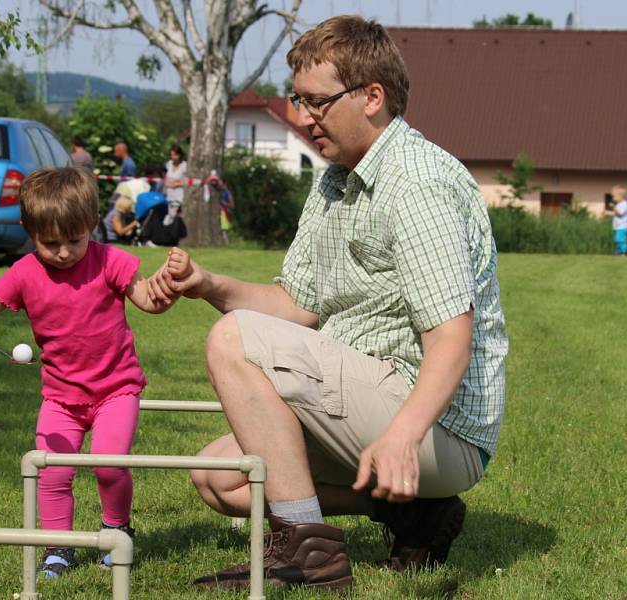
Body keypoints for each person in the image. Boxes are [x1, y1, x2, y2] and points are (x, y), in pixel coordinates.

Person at [149, 15, 508, 591]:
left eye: (318, 102)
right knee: (220, 478)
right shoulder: (336, 179)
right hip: (376, 402)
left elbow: (451, 339)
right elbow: (297, 304)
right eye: (299, 100)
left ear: (373, 97)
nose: (303, 116)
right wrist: (209, 285)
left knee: (234, 338)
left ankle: (305, 553)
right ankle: (407, 512)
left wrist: (401, 438)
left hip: (440, 427)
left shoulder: (416, 183)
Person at [0, 167, 186, 578]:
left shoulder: (111, 260)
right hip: (60, 396)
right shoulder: (25, 272)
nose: (63, 253)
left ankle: (116, 530)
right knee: (53, 472)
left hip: (117, 389)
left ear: (93, 223)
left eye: (74, 240)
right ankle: (58, 549)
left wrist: (166, 284)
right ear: (29, 230)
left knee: (109, 464)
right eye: (50, 243)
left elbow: (148, 299)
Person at [164, 144, 187, 226]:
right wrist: (167, 183)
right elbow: (166, 177)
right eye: (172, 155)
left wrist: (177, 184)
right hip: (169, 194)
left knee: (172, 213)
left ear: (179, 155)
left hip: (179, 195)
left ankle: (167, 227)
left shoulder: (184, 166)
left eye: (175, 155)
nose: (173, 157)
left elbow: (187, 181)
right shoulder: (169, 164)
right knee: (171, 213)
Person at [604, 185, 627, 255]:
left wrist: (614, 207)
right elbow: (616, 214)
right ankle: (619, 253)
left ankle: (624, 252)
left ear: (620, 196)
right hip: (618, 226)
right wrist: (608, 212)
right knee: (617, 240)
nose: (613, 198)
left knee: (621, 239)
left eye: (614, 196)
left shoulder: (624, 204)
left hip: (623, 226)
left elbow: (620, 213)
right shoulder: (619, 204)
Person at [217, 179, 235, 244]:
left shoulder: (228, 193)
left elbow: (232, 205)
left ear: (225, 184)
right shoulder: (221, 192)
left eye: (221, 183)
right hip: (222, 212)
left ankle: (227, 243)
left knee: (225, 229)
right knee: (223, 228)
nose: (220, 185)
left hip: (226, 212)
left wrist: (225, 204)